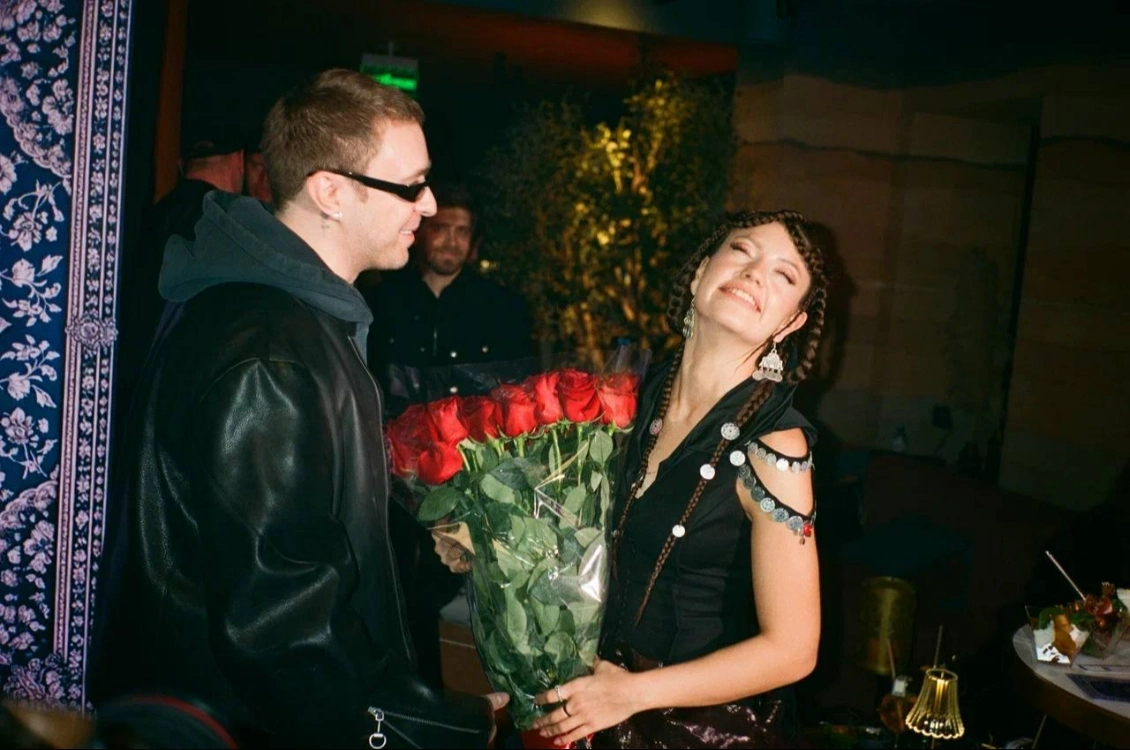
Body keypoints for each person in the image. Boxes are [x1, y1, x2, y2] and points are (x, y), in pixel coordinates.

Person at [92, 69, 505, 748]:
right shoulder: (269, 353)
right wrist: (439, 729)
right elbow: (280, 628)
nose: (429, 206)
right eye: (410, 186)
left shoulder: (294, 318)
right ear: (331, 192)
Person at [525, 210, 826, 747]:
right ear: (700, 272)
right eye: (742, 250)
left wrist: (631, 694)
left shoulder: (776, 445)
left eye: (783, 275)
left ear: (790, 324)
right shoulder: (628, 394)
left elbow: (794, 651)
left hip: (698, 729)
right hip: (587, 700)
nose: (754, 273)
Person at [114, 124, 245, 430]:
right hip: (188, 403)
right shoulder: (233, 231)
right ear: (239, 160)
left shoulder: (148, 218)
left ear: (181, 165)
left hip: (130, 391)